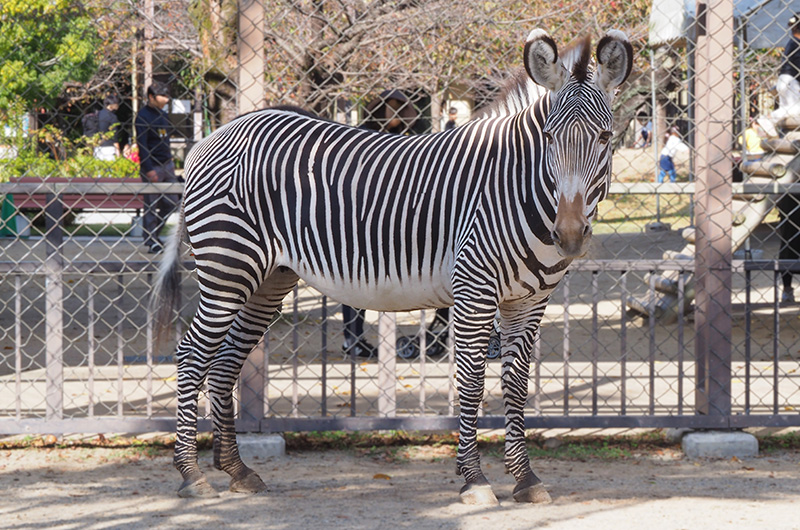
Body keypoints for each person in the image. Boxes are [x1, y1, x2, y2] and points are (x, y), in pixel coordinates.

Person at [135, 81, 179, 254]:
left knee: (172, 202)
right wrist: (148, 168)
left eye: (167, 95)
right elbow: (142, 145)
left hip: (166, 164)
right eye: (163, 95)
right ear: (152, 97)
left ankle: (155, 233)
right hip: (152, 166)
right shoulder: (143, 116)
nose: (166, 99)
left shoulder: (162, 114)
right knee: (151, 204)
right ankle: (151, 239)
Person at [774, 15, 800, 122]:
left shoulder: (792, 42)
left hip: (784, 80)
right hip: (791, 81)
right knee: (795, 109)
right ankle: (769, 118)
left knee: (788, 114)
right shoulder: (797, 44)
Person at [93, 94, 122, 161]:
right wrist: (118, 152)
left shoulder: (98, 114)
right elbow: (115, 136)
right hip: (109, 147)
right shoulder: (112, 117)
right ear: (112, 104)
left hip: (98, 146)